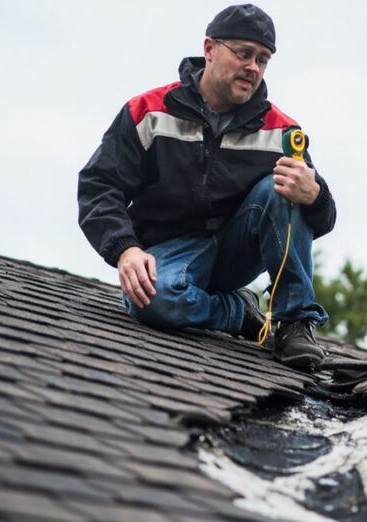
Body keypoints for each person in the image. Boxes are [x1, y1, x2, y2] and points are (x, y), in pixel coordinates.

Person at [77, 4, 334, 369]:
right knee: (152, 300)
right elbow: (99, 184)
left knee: (288, 185)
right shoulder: (147, 111)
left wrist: (316, 197)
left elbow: (320, 218)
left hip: (235, 249)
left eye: (262, 59)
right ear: (210, 49)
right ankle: (237, 312)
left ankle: (293, 321)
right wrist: (126, 250)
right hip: (167, 252)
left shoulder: (282, 132)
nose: (253, 67)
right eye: (244, 54)